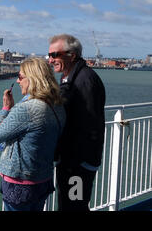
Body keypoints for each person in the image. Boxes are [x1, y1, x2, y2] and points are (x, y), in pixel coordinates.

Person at [0, 58, 66, 211]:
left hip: (20, 184)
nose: (18, 81)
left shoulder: (27, 109)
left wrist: (5, 109)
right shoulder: (58, 106)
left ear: (32, 78)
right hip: (43, 179)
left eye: (20, 76)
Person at [48, 34, 106, 211]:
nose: (51, 60)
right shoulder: (71, 77)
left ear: (71, 55)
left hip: (78, 163)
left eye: (55, 55)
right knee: (71, 204)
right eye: (49, 55)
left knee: (74, 206)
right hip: (71, 161)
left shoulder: (84, 80)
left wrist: (79, 161)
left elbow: (90, 123)